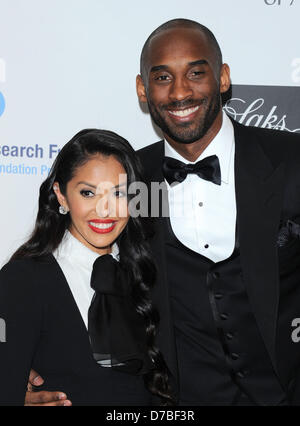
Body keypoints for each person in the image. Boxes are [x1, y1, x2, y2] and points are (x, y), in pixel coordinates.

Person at [26, 18, 300, 406]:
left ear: (222, 78)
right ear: (143, 90)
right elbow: (62, 266)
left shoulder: (289, 161)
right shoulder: (133, 181)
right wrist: (16, 365)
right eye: (162, 78)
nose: (180, 92)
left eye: (196, 73)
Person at [0, 129, 173, 406]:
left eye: (118, 193)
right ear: (61, 196)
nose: (104, 210)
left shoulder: (149, 273)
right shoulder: (23, 281)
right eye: (88, 193)